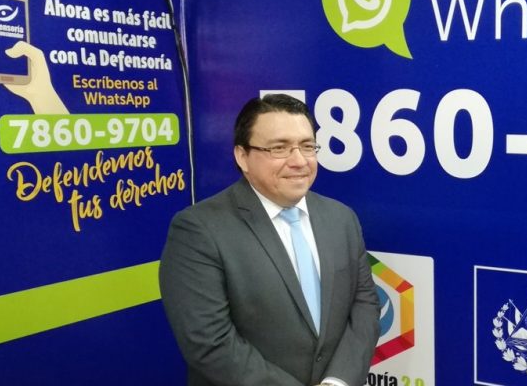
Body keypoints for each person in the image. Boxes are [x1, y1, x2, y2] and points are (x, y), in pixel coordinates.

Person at [159, 94, 379, 386]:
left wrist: (337, 381)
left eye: (307, 146)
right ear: (242, 157)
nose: (298, 161)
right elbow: (210, 343)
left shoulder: (342, 219)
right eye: (279, 148)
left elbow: (364, 306)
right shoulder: (198, 230)